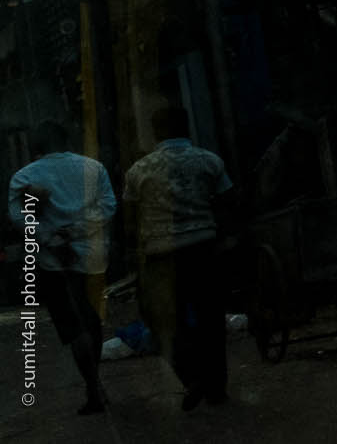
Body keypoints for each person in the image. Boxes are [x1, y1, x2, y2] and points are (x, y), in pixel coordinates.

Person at [122, 105, 233, 411]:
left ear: (155, 132)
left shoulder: (139, 170)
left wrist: (136, 257)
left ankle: (191, 375)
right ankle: (216, 388)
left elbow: (130, 222)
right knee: (211, 318)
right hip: (204, 248)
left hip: (161, 256)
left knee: (165, 322)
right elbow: (226, 204)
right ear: (187, 127)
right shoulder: (208, 161)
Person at [8, 121, 115, 415]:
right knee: (91, 321)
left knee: (74, 325)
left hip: (54, 262)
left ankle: (94, 388)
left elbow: (18, 218)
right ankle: (95, 386)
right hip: (93, 257)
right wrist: (76, 231)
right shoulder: (92, 167)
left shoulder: (24, 176)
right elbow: (108, 207)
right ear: (66, 139)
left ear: (35, 146)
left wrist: (51, 237)